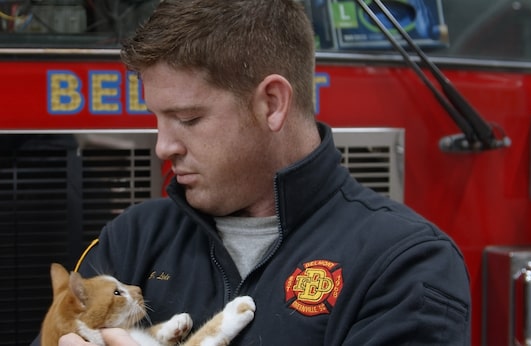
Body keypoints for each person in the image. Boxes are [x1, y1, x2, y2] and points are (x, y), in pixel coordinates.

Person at [53, 0, 471, 344]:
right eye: (157, 119)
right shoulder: (133, 238)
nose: (163, 147)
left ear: (272, 103)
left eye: (188, 118)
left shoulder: (404, 263)